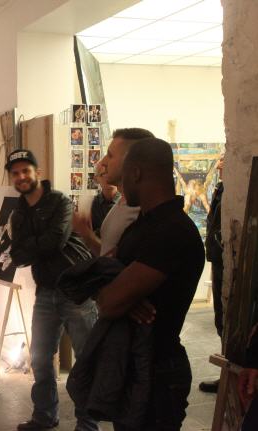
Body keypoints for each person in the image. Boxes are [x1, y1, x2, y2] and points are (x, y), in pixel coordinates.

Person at [97, 138, 205, 430]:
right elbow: (102, 275)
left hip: (159, 372)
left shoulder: (171, 231)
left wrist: (120, 292)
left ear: (136, 173)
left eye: (124, 174)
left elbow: (108, 302)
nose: (121, 183)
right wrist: (121, 289)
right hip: (136, 364)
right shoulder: (143, 225)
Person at [5, 149, 97, 431]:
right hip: (45, 292)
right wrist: (36, 245)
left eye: (26, 170)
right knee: (40, 359)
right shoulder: (18, 213)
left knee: (86, 359)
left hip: (76, 289)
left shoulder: (59, 202)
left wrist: (30, 245)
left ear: (38, 173)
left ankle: (88, 424)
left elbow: (54, 242)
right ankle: (44, 416)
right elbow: (17, 256)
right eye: (15, 173)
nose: (21, 176)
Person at [73, 128, 155, 257]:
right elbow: (109, 256)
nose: (103, 162)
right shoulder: (123, 203)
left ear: (131, 163)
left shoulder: (143, 213)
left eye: (110, 155)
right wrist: (86, 234)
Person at [200, 154, 225, 393]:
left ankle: (228, 375)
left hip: (226, 262)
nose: (219, 163)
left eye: (224, 159)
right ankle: (226, 374)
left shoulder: (231, 191)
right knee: (221, 318)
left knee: (226, 319)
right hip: (218, 260)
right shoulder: (221, 189)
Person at [90, 171, 120, 238]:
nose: (108, 177)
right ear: (96, 179)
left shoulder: (126, 201)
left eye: (111, 173)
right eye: (104, 174)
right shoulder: (93, 203)